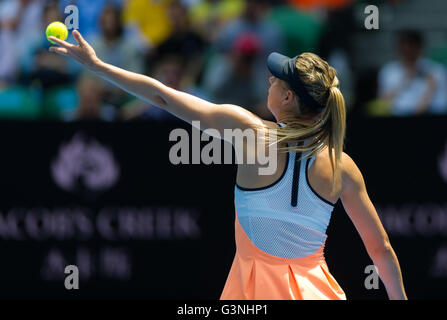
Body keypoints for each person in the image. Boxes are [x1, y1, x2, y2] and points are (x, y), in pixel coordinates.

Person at [48, 30, 407, 300]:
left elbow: (161, 95)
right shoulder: (343, 166)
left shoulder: (249, 132)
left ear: (287, 97)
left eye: (276, 77)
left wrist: (96, 66)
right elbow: (381, 250)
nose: (269, 78)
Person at [378, 30, 447, 116]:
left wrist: (431, 87)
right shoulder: (388, 71)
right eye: (403, 45)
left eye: (411, 44)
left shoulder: (436, 70)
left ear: (420, 47)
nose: (407, 49)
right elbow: (383, 103)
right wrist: (406, 81)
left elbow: (440, 105)